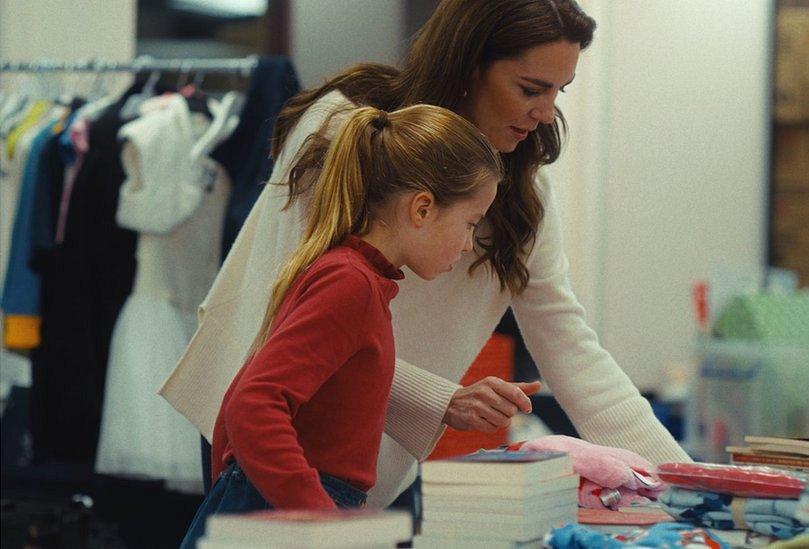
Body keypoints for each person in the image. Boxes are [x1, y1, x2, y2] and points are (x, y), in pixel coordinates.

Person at [160, 0, 692, 510]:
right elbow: (287, 321)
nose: (546, 113)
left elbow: (571, 347)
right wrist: (440, 398)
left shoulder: (524, 190)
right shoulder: (342, 129)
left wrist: (685, 484)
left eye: (559, 91)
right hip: (271, 436)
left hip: (365, 455)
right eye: (532, 88)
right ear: (468, 64)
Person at [178, 104, 501, 548]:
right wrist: (323, 521)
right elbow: (253, 404)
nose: (467, 245)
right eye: (471, 223)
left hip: (279, 504)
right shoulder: (350, 283)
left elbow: (242, 394)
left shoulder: (354, 277)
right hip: (288, 511)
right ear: (423, 208)